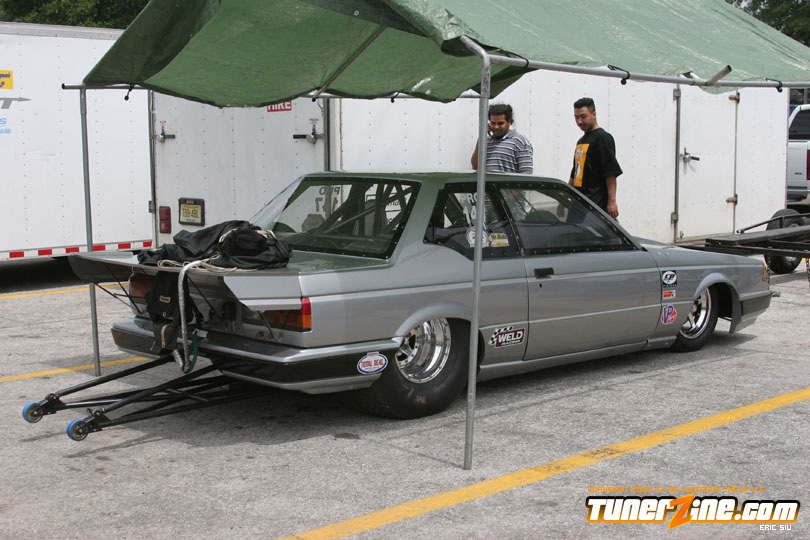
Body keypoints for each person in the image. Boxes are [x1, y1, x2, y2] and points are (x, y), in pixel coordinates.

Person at [568, 97, 622, 219]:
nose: (579, 121)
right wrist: (566, 196)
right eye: (576, 117)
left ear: (594, 114)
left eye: (583, 116)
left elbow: (610, 172)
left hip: (595, 205)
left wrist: (612, 202)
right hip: (578, 204)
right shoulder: (581, 141)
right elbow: (575, 172)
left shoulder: (602, 138)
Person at [471, 104, 533, 174]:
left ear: (510, 122)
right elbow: (475, 167)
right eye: (493, 123)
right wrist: (481, 137)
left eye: (500, 123)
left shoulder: (519, 141)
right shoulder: (485, 142)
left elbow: (526, 173)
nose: (496, 127)